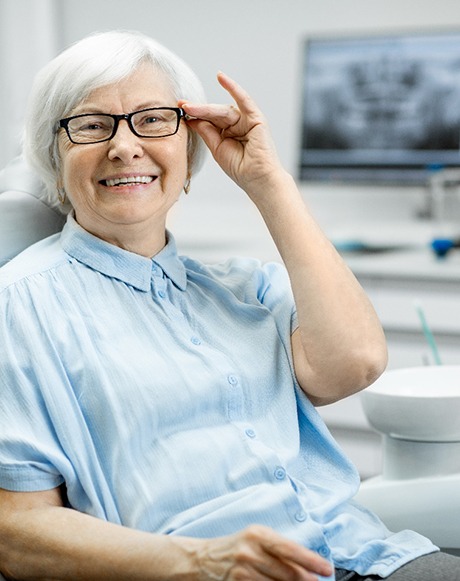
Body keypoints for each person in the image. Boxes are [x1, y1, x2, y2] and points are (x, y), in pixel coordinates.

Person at [0, 30, 457, 581]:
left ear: (189, 151)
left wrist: (268, 182)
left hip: (373, 555)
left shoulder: (247, 288)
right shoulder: (19, 307)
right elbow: (16, 529)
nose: (125, 146)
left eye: (152, 119)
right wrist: (195, 562)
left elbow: (354, 363)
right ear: (55, 153)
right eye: (92, 125)